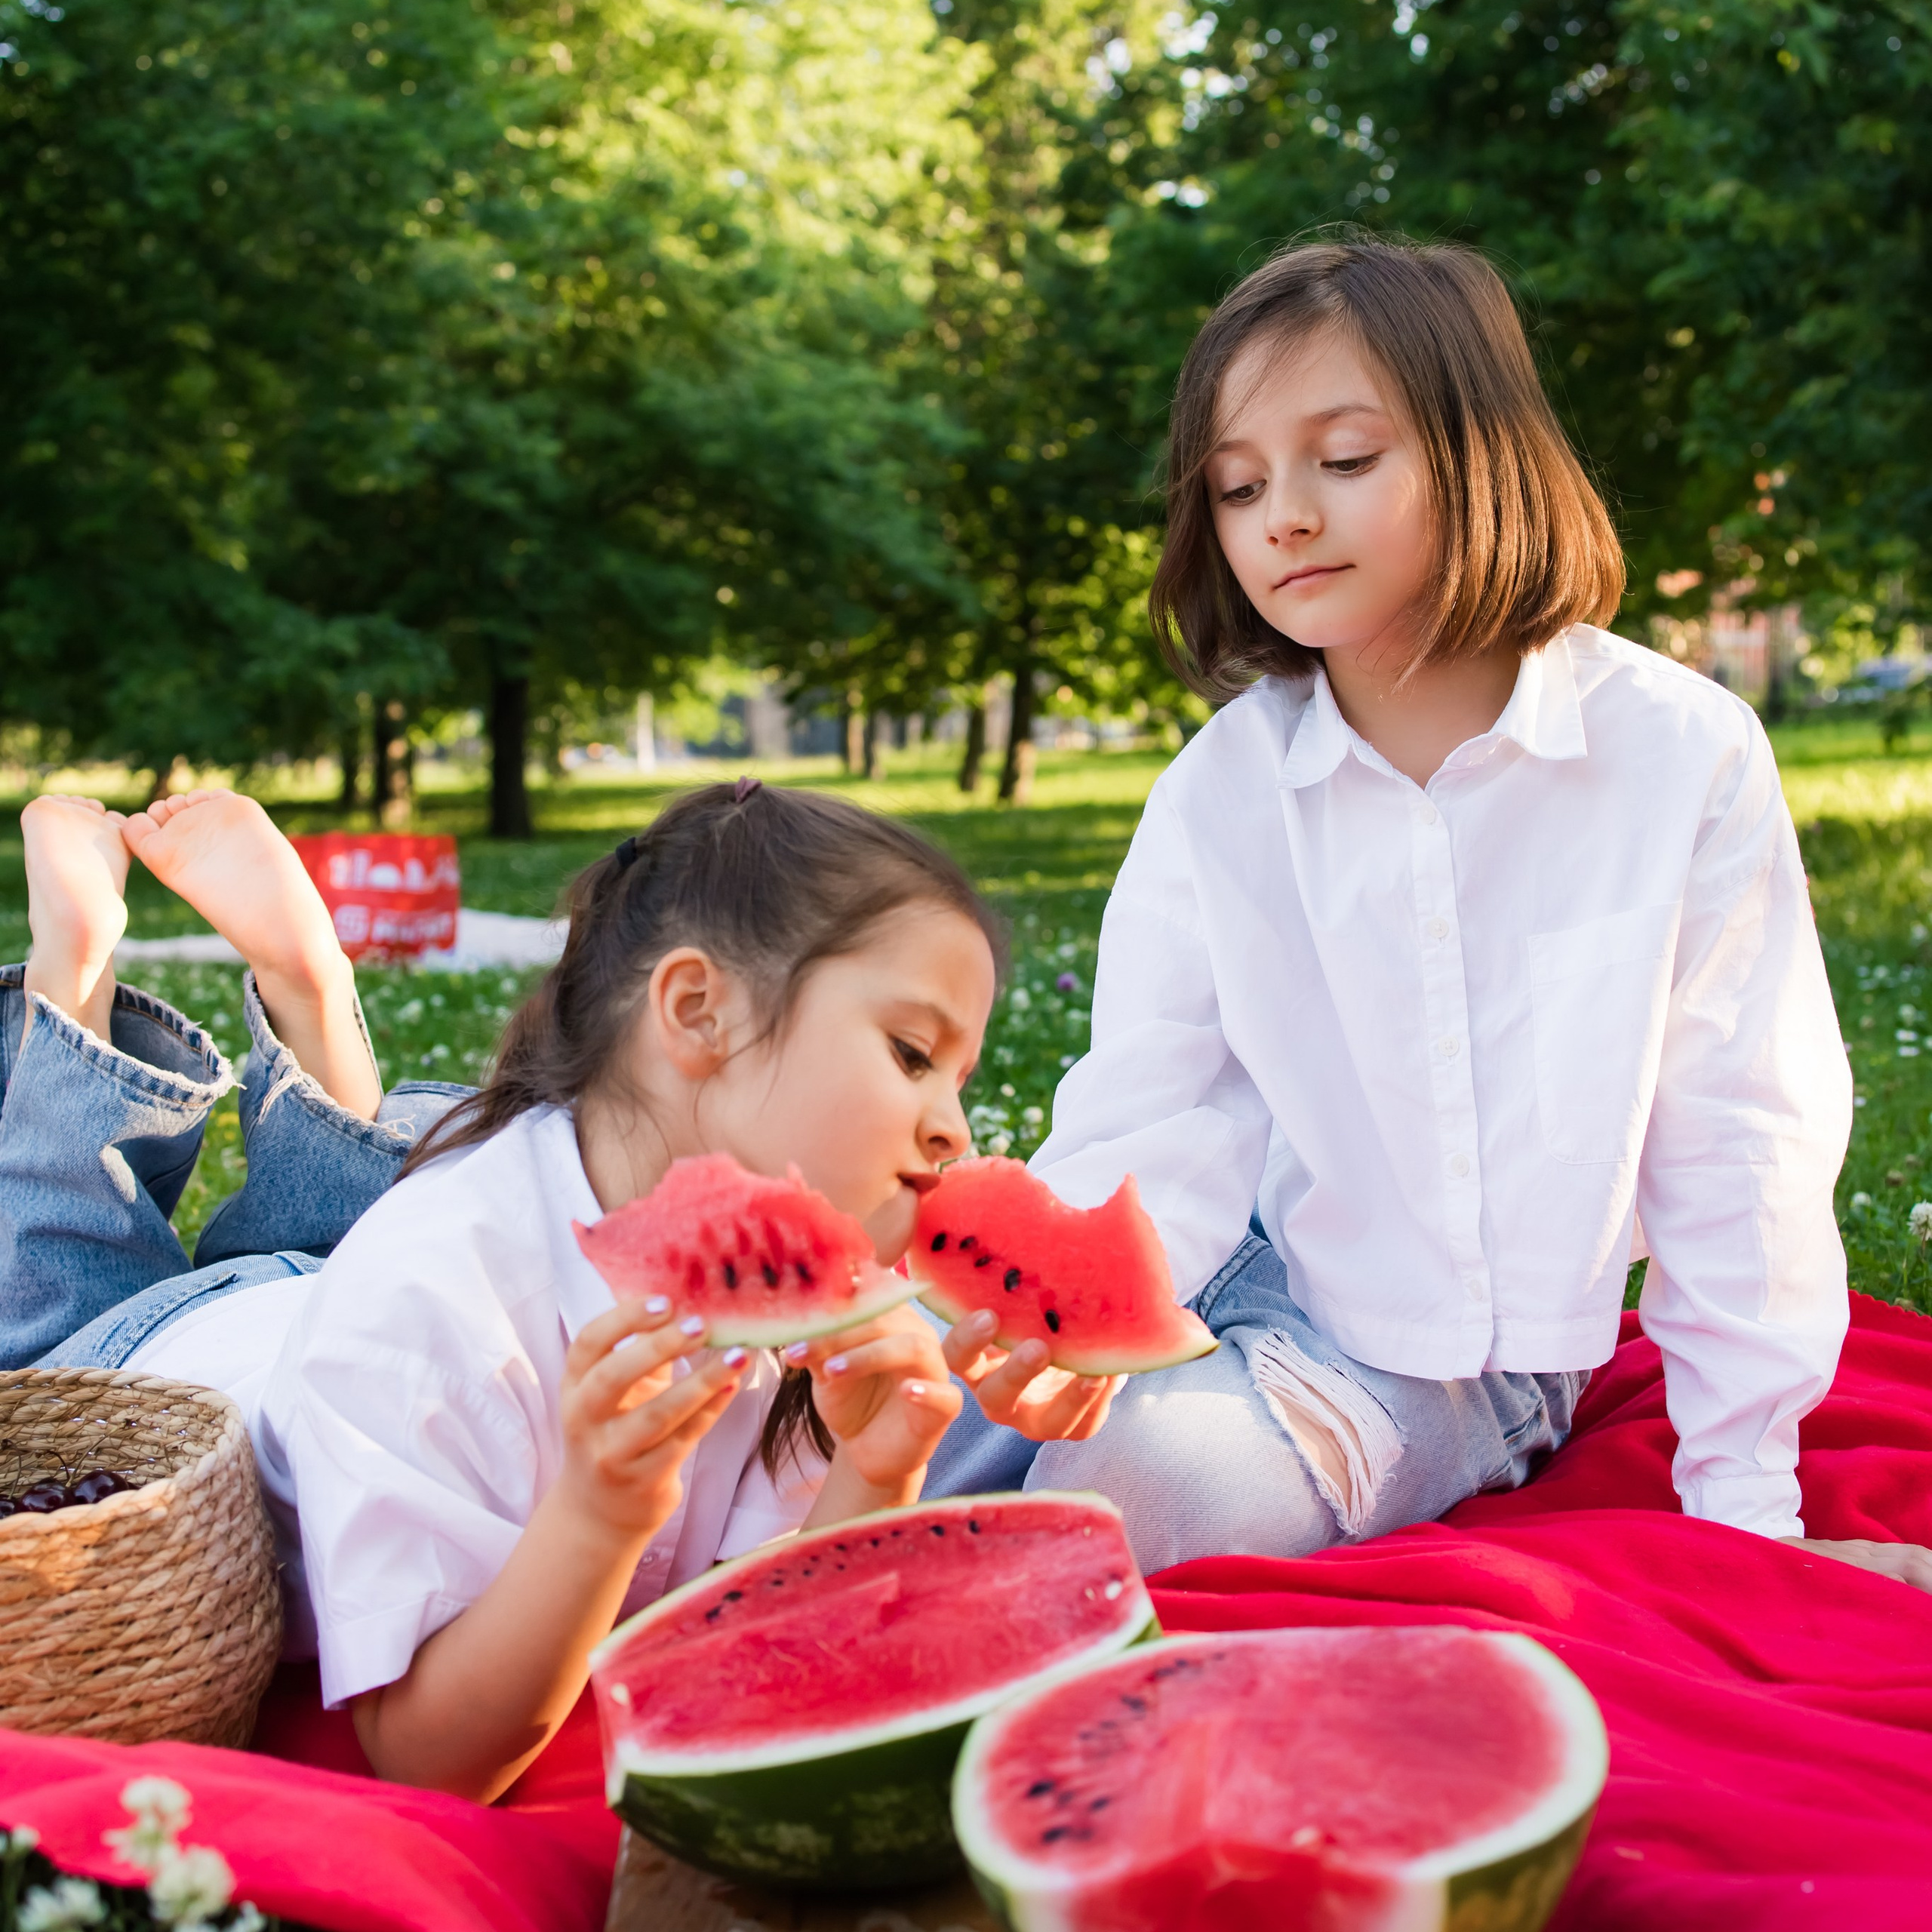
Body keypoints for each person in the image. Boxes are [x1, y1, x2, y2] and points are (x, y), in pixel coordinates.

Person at [925, 233, 1932, 1595]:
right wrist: (1043, 1330)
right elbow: (1159, 1116)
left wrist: (1741, 1507)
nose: (1282, 515)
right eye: (1237, 484)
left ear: (1482, 452)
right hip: (1233, 1274)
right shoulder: (1219, 787)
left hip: (1463, 1363)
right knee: (860, 1418)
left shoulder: (1679, 751)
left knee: (1132, 1497)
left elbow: (1739, 1138)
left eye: (1343, 462)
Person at [2, 782, 1117, 1801]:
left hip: (333, 1301)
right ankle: (83, 966)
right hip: (171, 1364)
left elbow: (756, 1642)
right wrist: (598, 1516)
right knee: (62, 1276)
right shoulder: (437, 1304)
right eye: (914, 1055)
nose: (956, 1133)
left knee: (355, 1213)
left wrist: (878, 1470)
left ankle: (310, 984)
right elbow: (430, 1759)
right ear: (697, 1011)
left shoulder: (783, 1280)